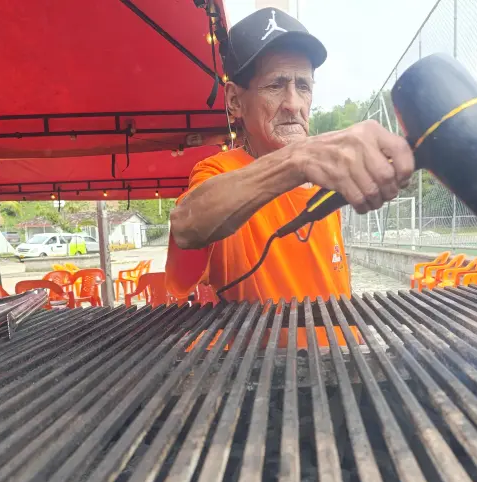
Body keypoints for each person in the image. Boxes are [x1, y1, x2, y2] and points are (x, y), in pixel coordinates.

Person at [166, 7, 413, 308]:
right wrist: (297, 160)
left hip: (339, 351)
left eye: (303, 86)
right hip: (260, 356)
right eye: (275, 85)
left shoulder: (324, 172)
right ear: (234, 101)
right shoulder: (219, 170)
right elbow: (186, 226)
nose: (293, 104)